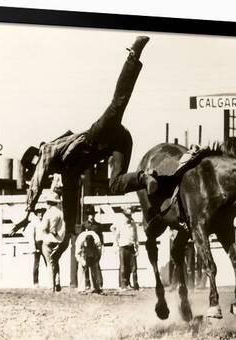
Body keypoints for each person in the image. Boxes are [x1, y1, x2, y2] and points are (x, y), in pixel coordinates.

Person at [10, 36, 158, 254]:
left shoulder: (48, 150)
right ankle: (145, 177)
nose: (47, 172)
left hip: (97, 134)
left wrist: (26, 212)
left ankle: (133, 56)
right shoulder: (68, 173)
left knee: (118, 103)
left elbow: (38, 179)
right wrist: (68, 234)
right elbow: (70, 203)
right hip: (118, 142)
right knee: (115, 185)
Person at [40, 192, 66, 292]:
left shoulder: (48, 213)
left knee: (50, 264)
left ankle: (51, 286)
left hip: (48, 240)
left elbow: (44, 228)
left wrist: (48, 231)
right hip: (59, 241)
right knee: (55, 261)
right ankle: (58, 281)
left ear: (49, 202)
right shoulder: (61, 213)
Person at [111, 207, 139, 290]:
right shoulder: (120, 224)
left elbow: (136, 237)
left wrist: (137, 248)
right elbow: (114, 231)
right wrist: (116, 245)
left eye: (130, 215)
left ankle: (134, 285)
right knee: (123, 267)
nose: (129, 217)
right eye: (127, 216)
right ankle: (123, 285)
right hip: (123, 247)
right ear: (124, 216)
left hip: (131, 247)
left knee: (133, 267)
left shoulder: (133, 224)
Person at [81, 206, 104, 289]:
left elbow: (101, 237)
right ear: (88, 215)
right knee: (86, 265)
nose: (92, 216)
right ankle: (87, 284)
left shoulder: (98, 225)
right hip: (87, 248)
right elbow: (81, 236)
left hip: (95, 248)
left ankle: (99, 284)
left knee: (96, 265)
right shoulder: (84, 225)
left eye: (93, 214)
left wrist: (101, 246)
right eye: (90, 214)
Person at [31, 207, 46, 287]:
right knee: (36, 264)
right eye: (39, 213)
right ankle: (35, 282)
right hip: (37, 243)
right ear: (36, 214)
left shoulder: (45, 222)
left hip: (44, 243)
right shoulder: (34, 223)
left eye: (41, 213)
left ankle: (51, 281)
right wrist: (34, 247)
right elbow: (32, 235)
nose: (40, 214)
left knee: (48, 262)